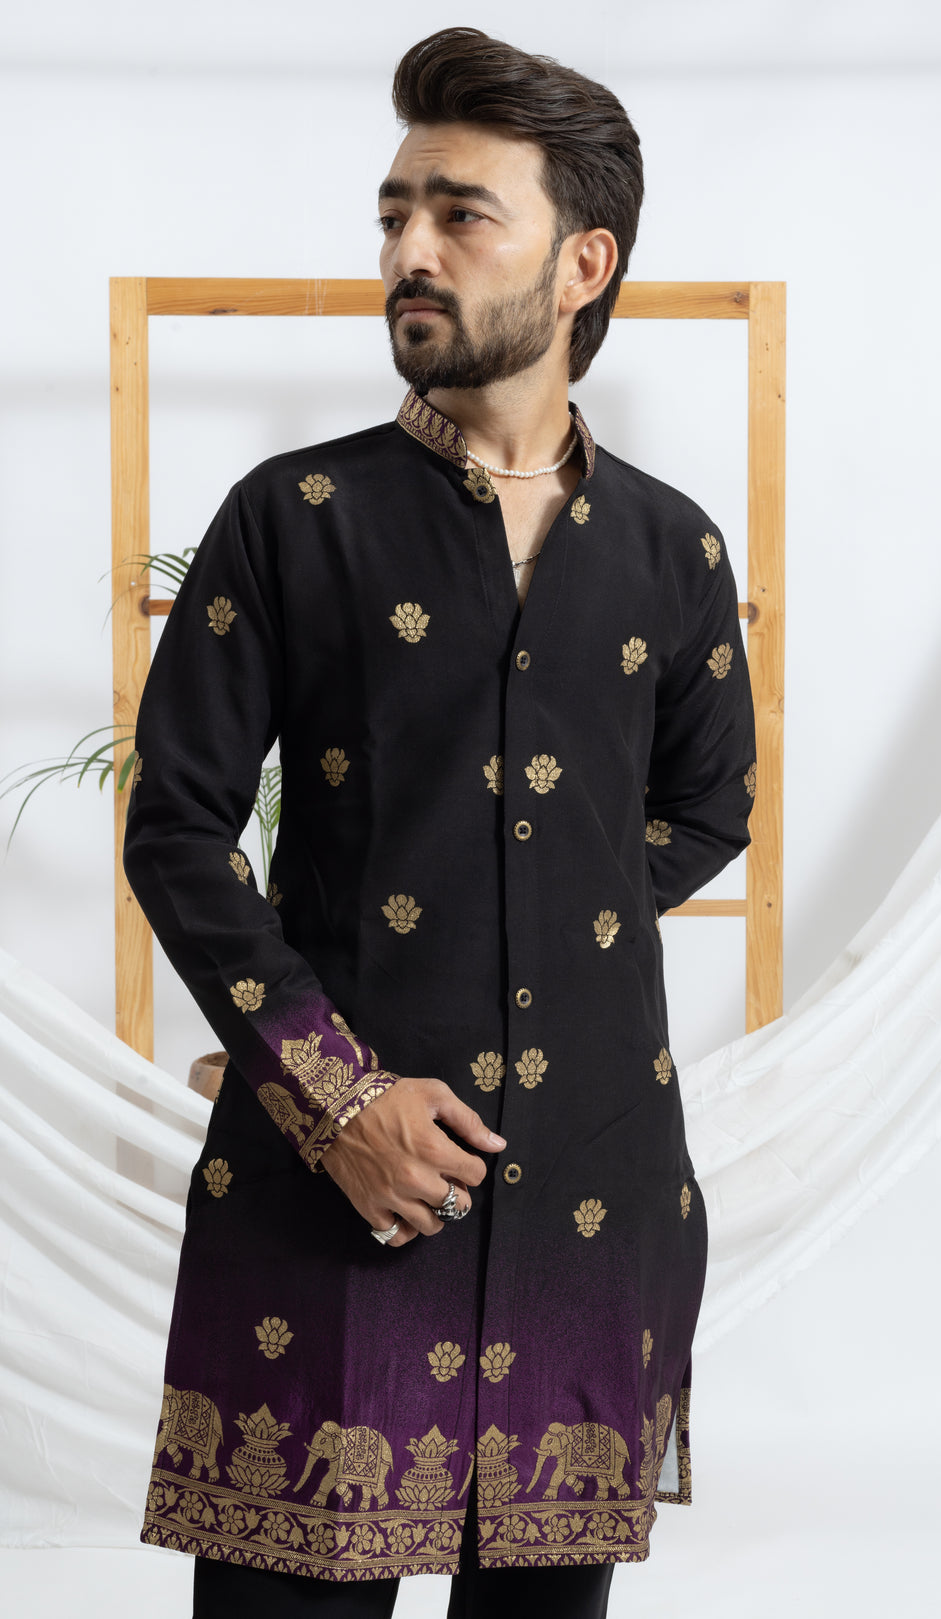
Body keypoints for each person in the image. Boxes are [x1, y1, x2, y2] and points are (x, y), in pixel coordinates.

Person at [123, 26, 757, 1619]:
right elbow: (179, 828)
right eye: (394, 213)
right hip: (326, 1189)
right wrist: (335, 1096)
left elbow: (711, 806)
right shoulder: (296, 518)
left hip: (588, 1194)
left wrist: (539, 917)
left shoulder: (674, 553)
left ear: (582, 262)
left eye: (461, 213)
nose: (409, 250)